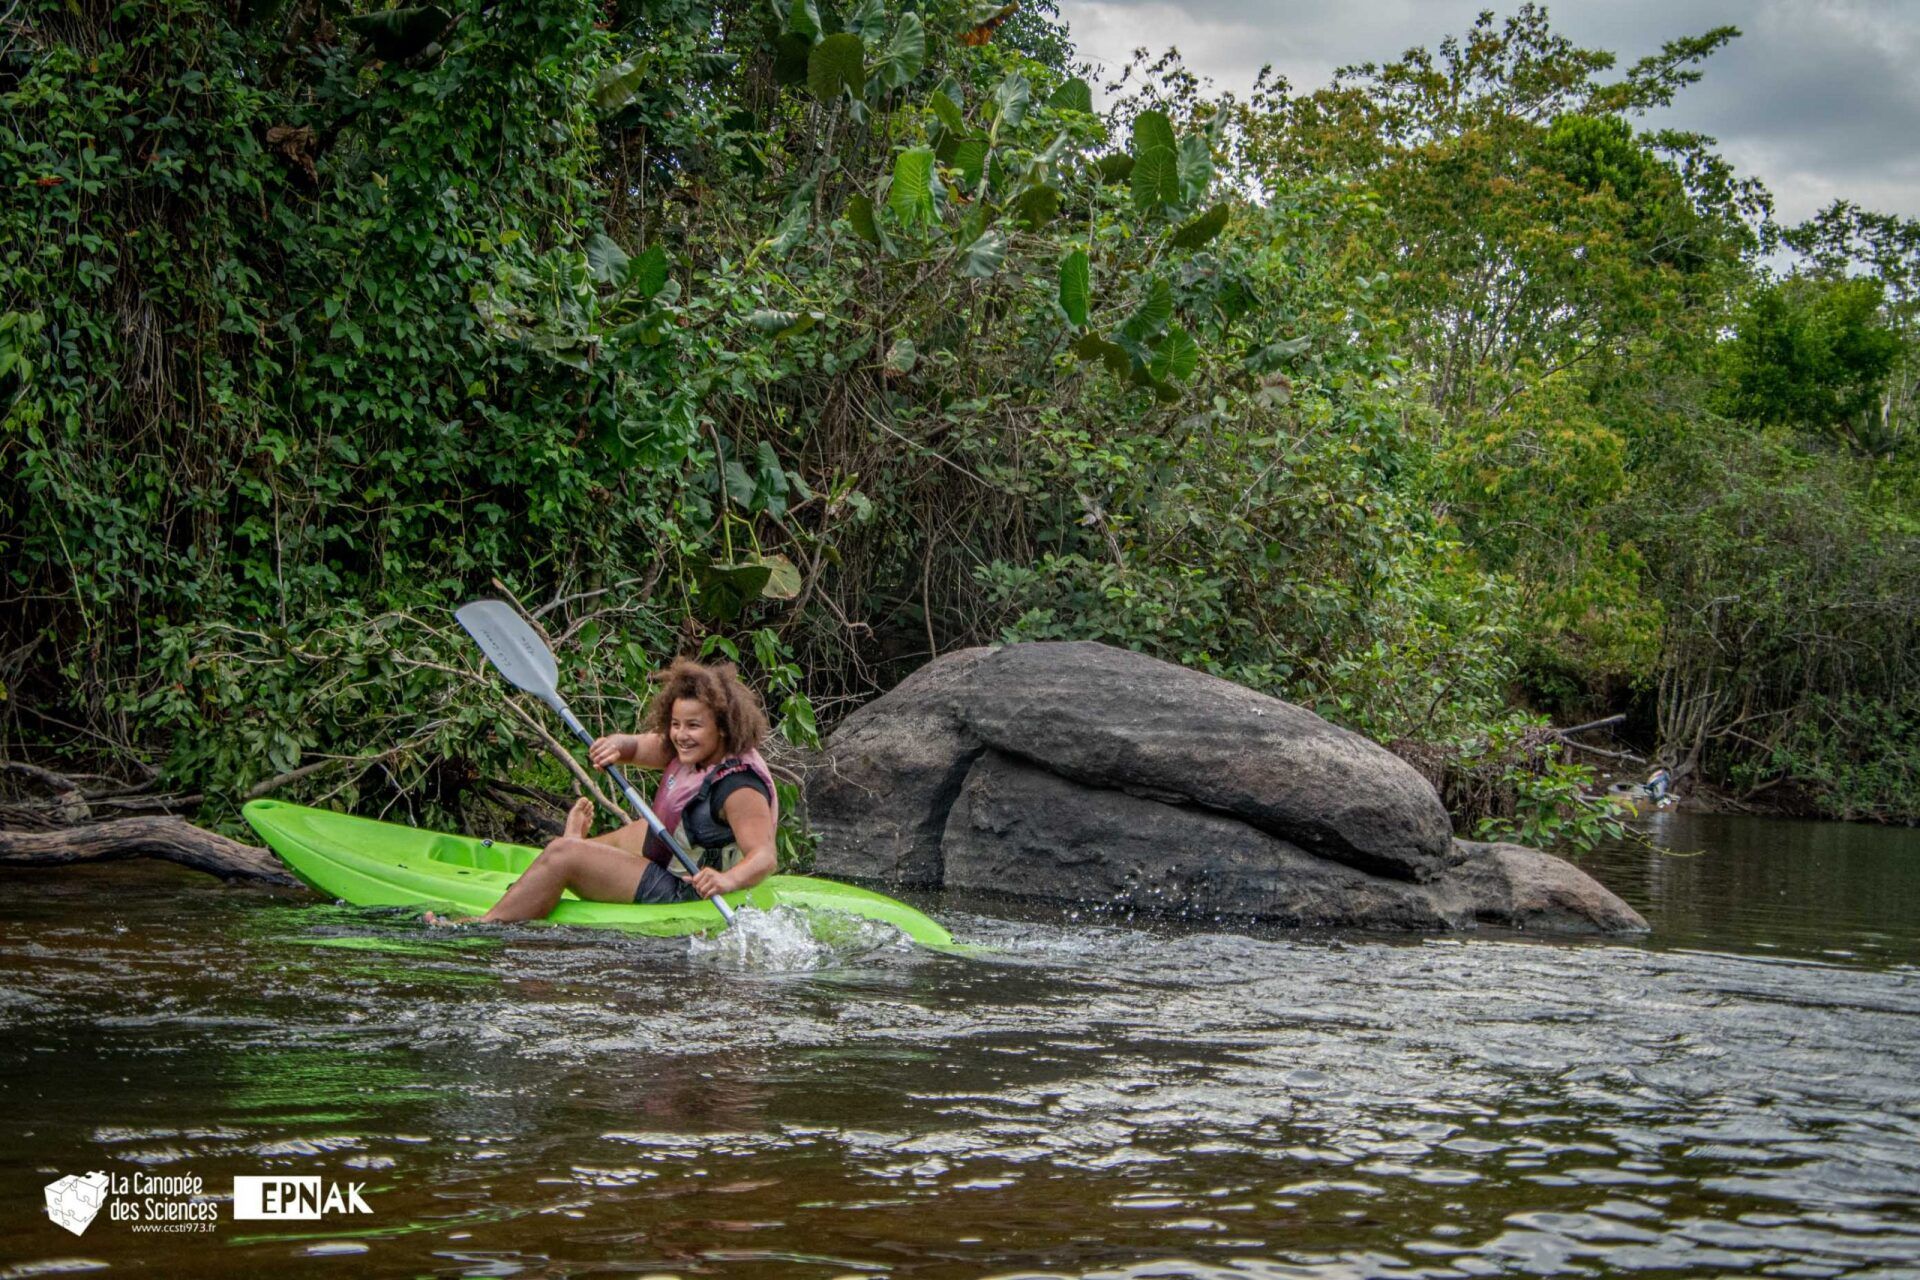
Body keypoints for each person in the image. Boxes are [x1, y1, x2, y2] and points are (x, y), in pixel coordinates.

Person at [437, 657, 781, 924]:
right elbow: (637, 746)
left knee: (563, 855)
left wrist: (726, 881)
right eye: (676, 724)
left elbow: (764, 856)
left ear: (722, 728)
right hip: (678, 858)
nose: (680, 735)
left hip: (689, 892)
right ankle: (571, 852)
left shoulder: (738, 787)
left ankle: (487, 923)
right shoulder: (687, 748)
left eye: (693, 725)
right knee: (638, 831)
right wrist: (615, 746)